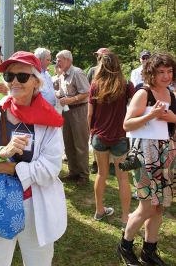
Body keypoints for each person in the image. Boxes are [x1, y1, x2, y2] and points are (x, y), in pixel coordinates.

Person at [0, 51, 67, 266]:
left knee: (38, 262)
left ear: (36, 82)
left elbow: (50, 168)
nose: (14, 82)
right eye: (10, 76)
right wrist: (0, 153)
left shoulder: (49, 119)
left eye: (22, 77)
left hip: (35, 204)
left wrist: (10, 169)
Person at [118, 53, 176, 266]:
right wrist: (151, 115)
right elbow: (127, 124)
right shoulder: (143, 93)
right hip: (145, 156)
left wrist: (173, 118)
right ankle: (125, 245)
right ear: (152, 72)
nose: (166, 76)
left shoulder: (171, 94)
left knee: (160, 206)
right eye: (161, 72)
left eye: (169, 71)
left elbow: (172, 124)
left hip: (167, 155)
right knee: (147, 207)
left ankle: (149, 250)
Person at [88, 52, 134, 226]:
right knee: (123, 178)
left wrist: (90, 132)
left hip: (99, 136)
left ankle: (99, 211)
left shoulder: (95, 86)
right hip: (120, 137)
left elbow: (89, 114)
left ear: (102, 65)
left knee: (101, 174)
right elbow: (135, 107)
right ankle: (125, 218)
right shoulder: (127, 84)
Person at [56, 50, 90, 186]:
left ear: (68, 60)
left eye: (60, 60)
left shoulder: (77, 72)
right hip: (67, 112)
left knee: (80, 143)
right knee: (68, 143)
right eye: (57, 60)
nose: (57, 62)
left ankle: (83, 175)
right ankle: (73, 171)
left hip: (79, 111)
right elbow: (63, 92)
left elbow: (86, 92)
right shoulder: (62, 75)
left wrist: (72, 99)